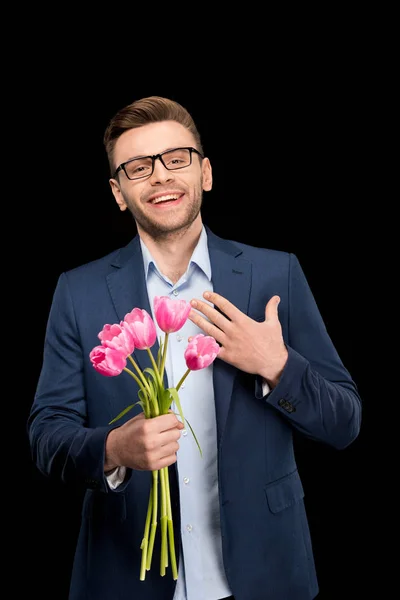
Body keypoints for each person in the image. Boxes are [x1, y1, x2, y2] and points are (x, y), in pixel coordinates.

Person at [27, 95, 362, 600]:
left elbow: (345, 423)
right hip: (124, 577)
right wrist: (114, 449)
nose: (160, 176)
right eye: (138, 167)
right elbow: (46, 434)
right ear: (119, 193)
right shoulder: (79, 291)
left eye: (175, 158)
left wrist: (277, 366)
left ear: (204, 173)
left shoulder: (276, 274)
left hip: (265, 576)